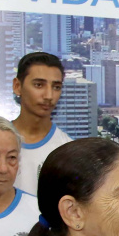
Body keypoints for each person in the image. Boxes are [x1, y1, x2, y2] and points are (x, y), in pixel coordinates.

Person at [11, 52, 73, 195]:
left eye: (56, 87)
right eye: (39, 85)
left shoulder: (67, 151)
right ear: (17, 86)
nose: (49, 96)